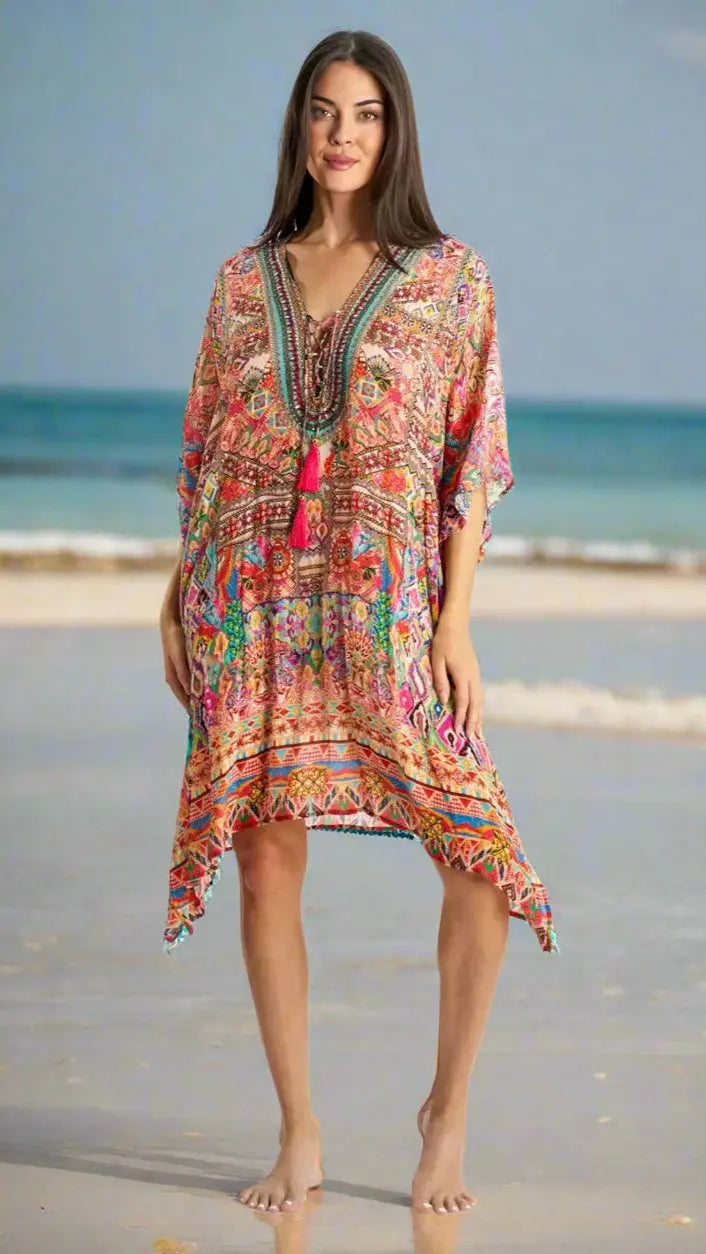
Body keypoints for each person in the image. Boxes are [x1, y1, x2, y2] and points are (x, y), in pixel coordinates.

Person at [159, 28, 559, 1218]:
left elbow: (471, 462)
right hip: (253, 609)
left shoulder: (451, 278)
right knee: (263, 857)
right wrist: (180, 591)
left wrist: (456, 621)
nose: (343, 134)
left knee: (478, 855)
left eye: (368, 113)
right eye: (325, 111)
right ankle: (300, 1132)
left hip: (389, 613)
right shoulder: (243, 281)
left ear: (396, 131)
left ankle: (446, 1112)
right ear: (299, 126)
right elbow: (206, 450)